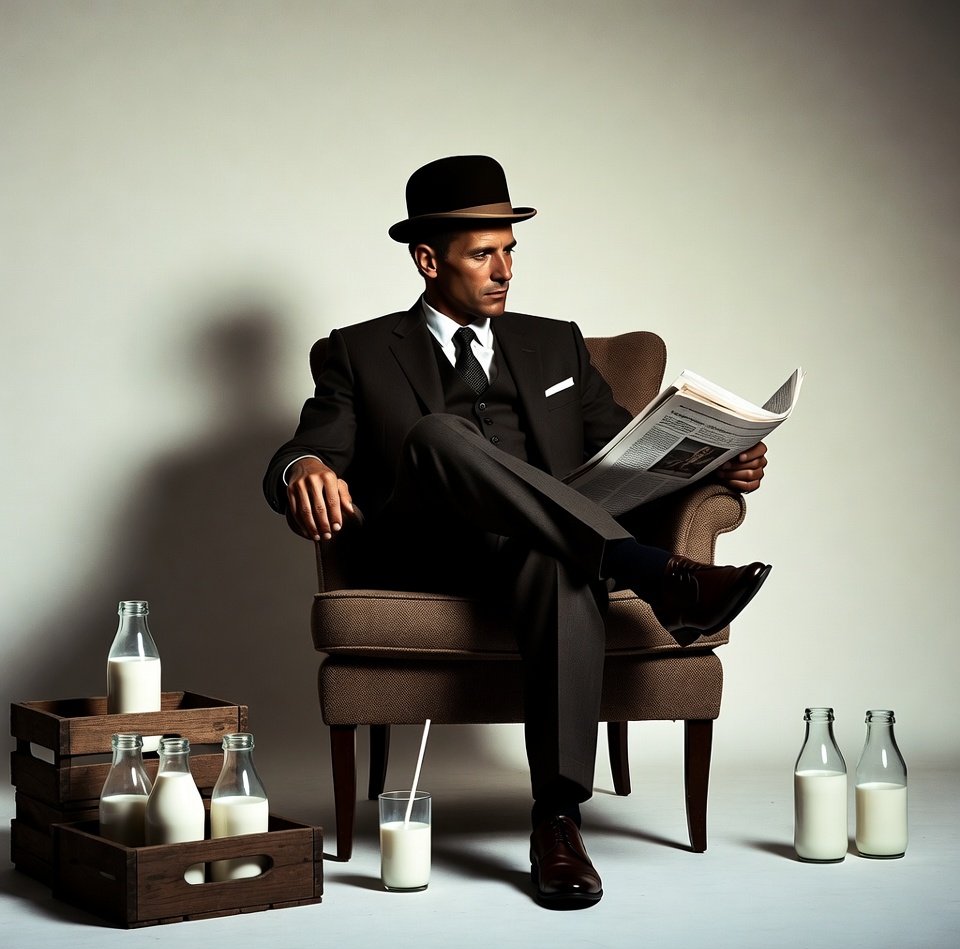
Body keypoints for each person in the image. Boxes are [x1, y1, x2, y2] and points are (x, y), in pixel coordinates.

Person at [263, 155, 770, 909]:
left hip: (546, 550)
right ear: (428, 260)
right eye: (482, 254)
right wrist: (303, 467)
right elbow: (304, 449)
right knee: (437, 434)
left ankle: (557, 822)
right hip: (430, 553)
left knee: (556, 559)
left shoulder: (555, 344)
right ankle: (652, 571)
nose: (504, 271)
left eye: (509, 252)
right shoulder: (359, 351)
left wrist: (719, 462)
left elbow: (634, 454)